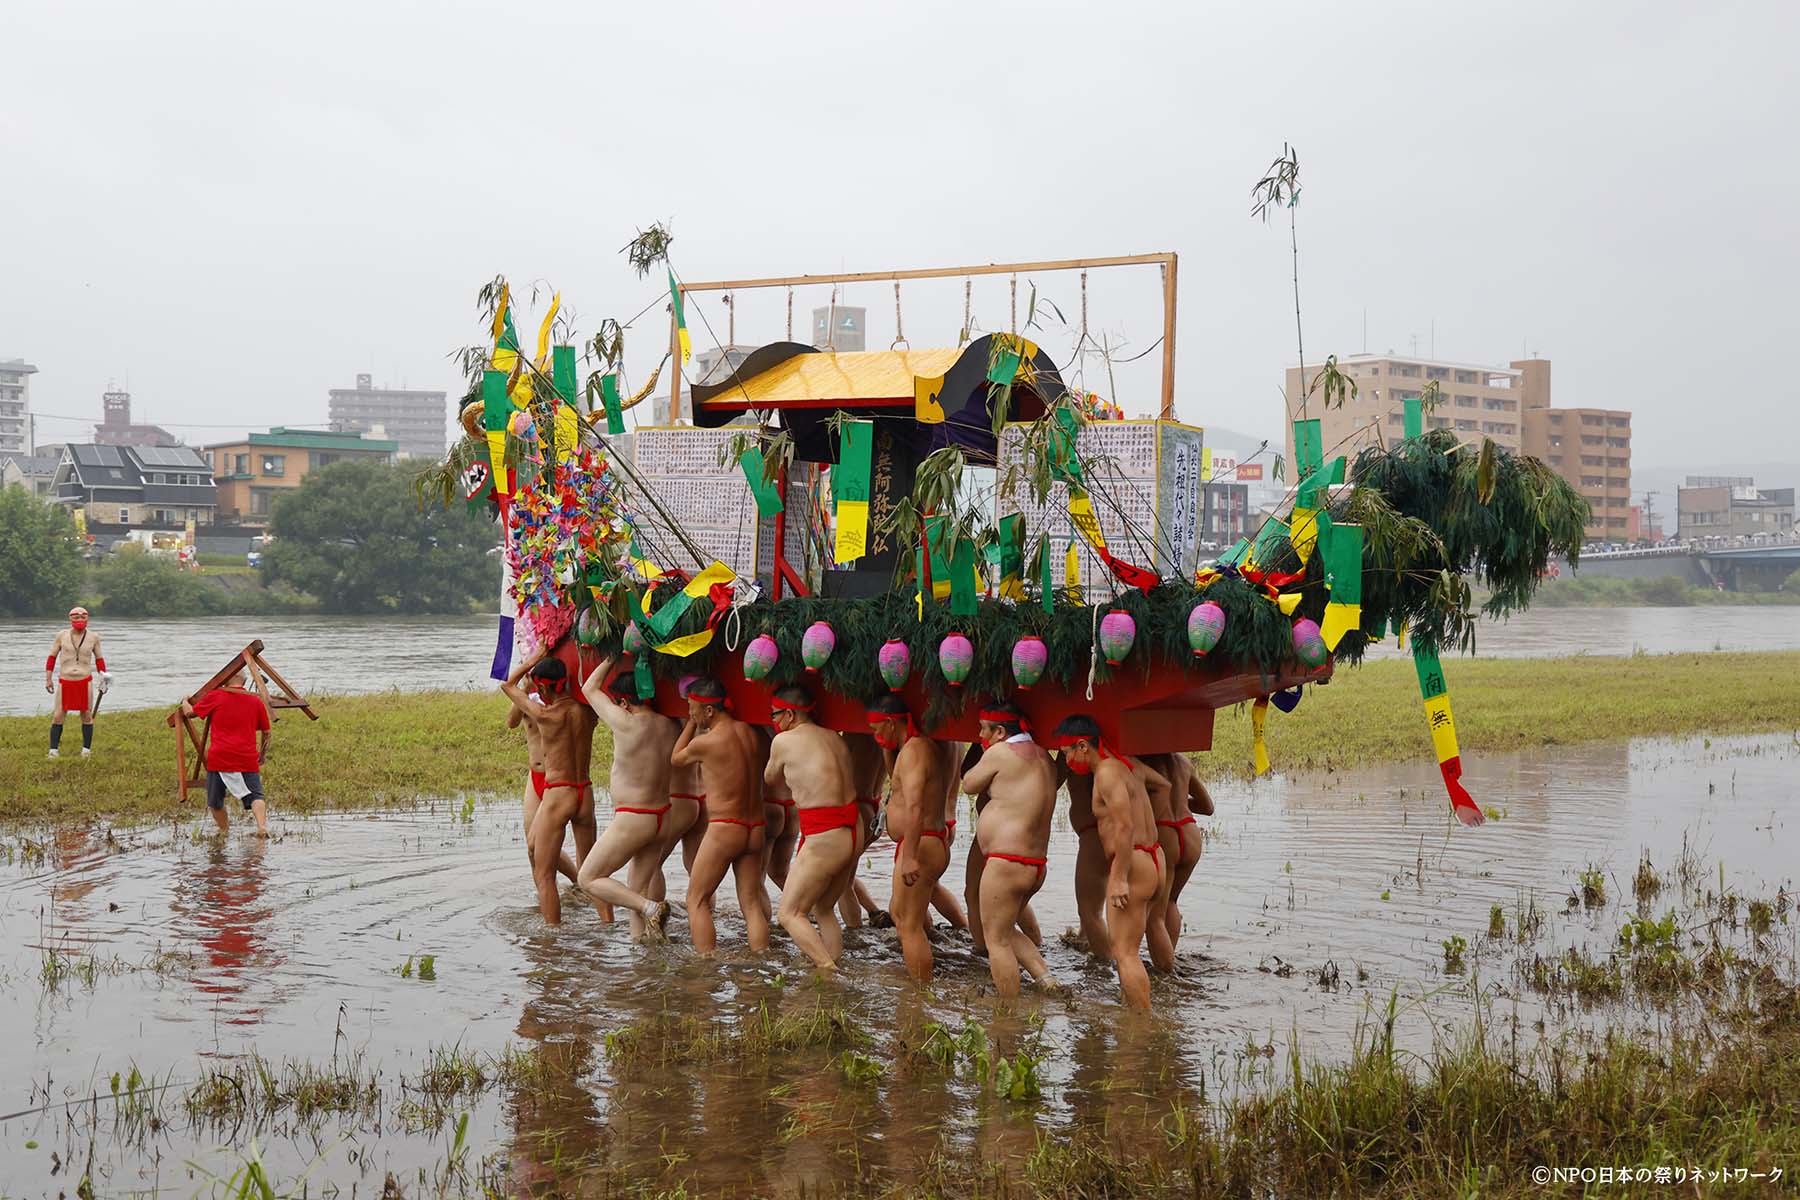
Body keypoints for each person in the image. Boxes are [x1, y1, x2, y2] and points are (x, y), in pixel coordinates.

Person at [577, 657, 698, 940]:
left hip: (634, 817)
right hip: (662, 817)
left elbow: (589, 688)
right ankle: (642, 951)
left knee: (588, 878)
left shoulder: (626, 722)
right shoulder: (670, 726)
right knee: (635, 889)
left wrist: (612, 655)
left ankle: (651, 907)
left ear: (623, 702)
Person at [1057, 714, 1159, 1010]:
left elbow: (1125, 827)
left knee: (1125, 953)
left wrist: (1118, 876)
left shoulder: (1107, 773)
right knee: (1129, 951)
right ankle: (1135, 1015)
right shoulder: (1125, 765)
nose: (1066, 761)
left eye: (1066, 753)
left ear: (1082, 746)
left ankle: (1140, 1031)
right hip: (1148, 858)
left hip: (1134, 863)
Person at [959, 702, 1058, 996]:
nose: (980, 736)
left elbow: (968, 784)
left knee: (997, 940)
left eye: (983, 729)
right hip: (1035, 863)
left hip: (1006, 861)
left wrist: (981, 753)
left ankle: (1008, 1016)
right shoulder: (1045, 758)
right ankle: (1047, 981)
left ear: (1000, 732)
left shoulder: (1001, 752)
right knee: (1005, 929)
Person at [763, 683, 861, 969]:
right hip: (853, 829)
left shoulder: (783, 741)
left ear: (790, 714)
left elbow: (770, 778)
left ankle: (829, 972)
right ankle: (832, 975)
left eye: (774, 715)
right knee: (823, 908)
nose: (774, 722)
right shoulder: (834, 737)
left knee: (789, 914)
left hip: (825, 833)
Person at [672, 676, 771, 954]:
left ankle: (707, 964)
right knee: (750, 903)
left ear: (709, 711)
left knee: (696, 899)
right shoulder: (754, 735)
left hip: (725, 827)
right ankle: (761, 960)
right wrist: (695, 714)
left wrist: (692, 725)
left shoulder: (707, 742)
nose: (690, 713)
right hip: (756, 828)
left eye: (692, 708)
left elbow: (676, 758)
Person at [869, 695, 958, 981]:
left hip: (921, 845)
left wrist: (909, 856)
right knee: (900, 912)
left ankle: (920, 997)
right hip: (926, 841)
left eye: (876, 729)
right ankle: (938, 957)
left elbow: (915, 805)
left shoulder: (915, 751)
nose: (875, 735)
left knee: (907, 925)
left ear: (891, 723)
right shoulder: (913, 748)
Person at [499, 656, 590, 925]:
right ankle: (563, 887)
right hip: (537, 777)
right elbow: (512, 721)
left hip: (558, 782)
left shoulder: (559, 708)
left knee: (541, 853)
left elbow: (507, 685)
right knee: (532, 847)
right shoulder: (534, 703)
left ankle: (571, 886)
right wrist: (528, 686)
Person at [180, 669, 272, 837]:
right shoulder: (255, 700)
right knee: (257, 795)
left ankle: (224, 832)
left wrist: (185, 700)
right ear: (243, 682)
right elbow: (266, 732)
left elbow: (189, 713)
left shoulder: (217, 695)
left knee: (215, 801)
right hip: (247, 757)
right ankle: (262, 827)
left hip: (220, 758)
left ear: (227, 680)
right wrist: (263, 754)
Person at [1141, 751, 1210, 949]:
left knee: (1155, 916)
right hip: (1189, 829)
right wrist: (1179, 802)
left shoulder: (1141, 762)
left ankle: (1165, 971)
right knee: (1171, 901)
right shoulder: (1183, 762)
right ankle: (1170, 958)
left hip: (1164, 831)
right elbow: (1207, 807)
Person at [45, 606, 109, 758]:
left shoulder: (94, 637)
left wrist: (104, 679)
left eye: (83, 617)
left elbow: (99, 659)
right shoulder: (62, 635)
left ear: (87, 619)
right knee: (58, 715)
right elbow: (52, 657)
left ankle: (86, 750)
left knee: (86, 715)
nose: (80, 620)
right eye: (76, 617)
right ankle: (53, 751)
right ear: (70, 618)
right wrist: (48, 679)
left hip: (84, 680)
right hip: (65, 680)